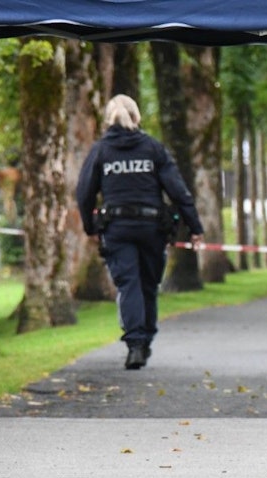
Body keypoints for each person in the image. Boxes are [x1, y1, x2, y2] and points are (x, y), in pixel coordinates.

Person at [76, 94, 204, 370]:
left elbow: (84, 193)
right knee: (148, 284)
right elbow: (178, 191)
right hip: (151, 229)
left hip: (117, 229)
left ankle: (135, 344)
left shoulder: (100, 151)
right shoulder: (153, 148)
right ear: (136, 117)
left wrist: (90, 227)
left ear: (108, 119)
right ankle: (144, 341)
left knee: (129, 284)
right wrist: (195, 228)